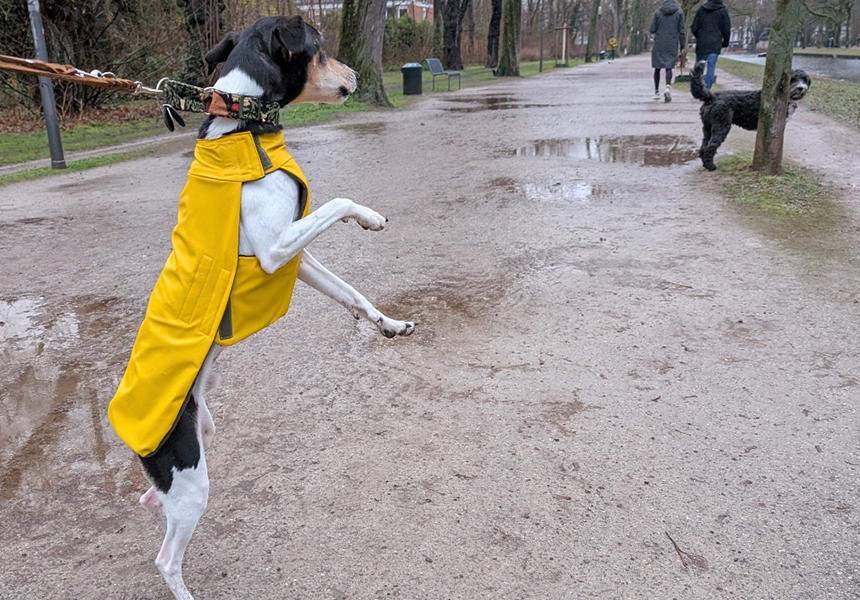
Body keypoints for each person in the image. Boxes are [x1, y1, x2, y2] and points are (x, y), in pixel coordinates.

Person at [650, 0, 686, 102]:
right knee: (669, 67)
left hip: (659, 43)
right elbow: (682, 31)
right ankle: (667, 87)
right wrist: (682, 46)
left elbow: (652, 29)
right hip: (672, 43)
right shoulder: (679, 12)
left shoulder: (657, 12)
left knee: (657, 67)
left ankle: (656, 91)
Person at [691, 0, 731, 90]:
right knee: (711, 66)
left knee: (699, 66)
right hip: (715, 43)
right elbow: (726, 29)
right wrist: (725, 43)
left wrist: (699, 36)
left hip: (702, 42)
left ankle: (697, 88)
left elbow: (694, 27)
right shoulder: (723, 11)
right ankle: (707, 89)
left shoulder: (701, 9)